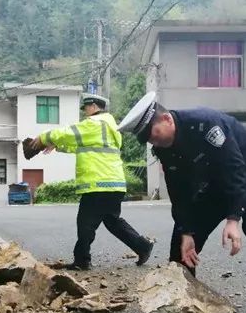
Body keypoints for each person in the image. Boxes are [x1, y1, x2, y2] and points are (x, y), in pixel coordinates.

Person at [117, 92, 246, 313]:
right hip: (215, 184)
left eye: (154, 135)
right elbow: (178, 192)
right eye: (149, 141)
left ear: (167, 119)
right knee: (181, 239)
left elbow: (234, 168)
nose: (153, 143)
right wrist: (188, 232)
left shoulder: (206, 124)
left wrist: (233, 218)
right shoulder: (164, 148)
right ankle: (184, 300)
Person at [30, 93, 154, 270]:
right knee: (112, 221)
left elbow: (68, 133)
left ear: (94, 106)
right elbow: (79, 144)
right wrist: (57, 146)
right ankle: (142, 246)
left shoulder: (94, 123)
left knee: (85, 222)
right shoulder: (110, 127)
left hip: (99, 183)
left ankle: (82, 260)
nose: (85, 112)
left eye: (86, 108)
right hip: (114, 183)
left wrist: (43, 138)